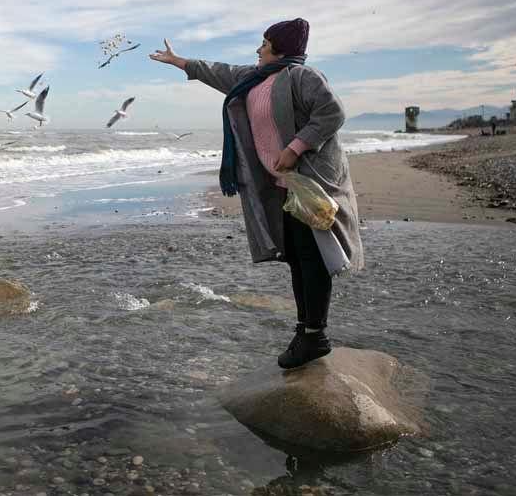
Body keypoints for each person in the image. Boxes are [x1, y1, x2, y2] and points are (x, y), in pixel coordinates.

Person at [150, 18, 363, 369]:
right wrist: (180, 62)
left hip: (309, 183)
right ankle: (306, 329)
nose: (258, 49)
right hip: (281, 187)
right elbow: (218, 71)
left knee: (312, 259)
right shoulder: (254, 78)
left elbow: (332, 113)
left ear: (280, 48)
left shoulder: (302, 77)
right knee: (297, 258)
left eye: (264, 43)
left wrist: (295, 148)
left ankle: (315, 335)